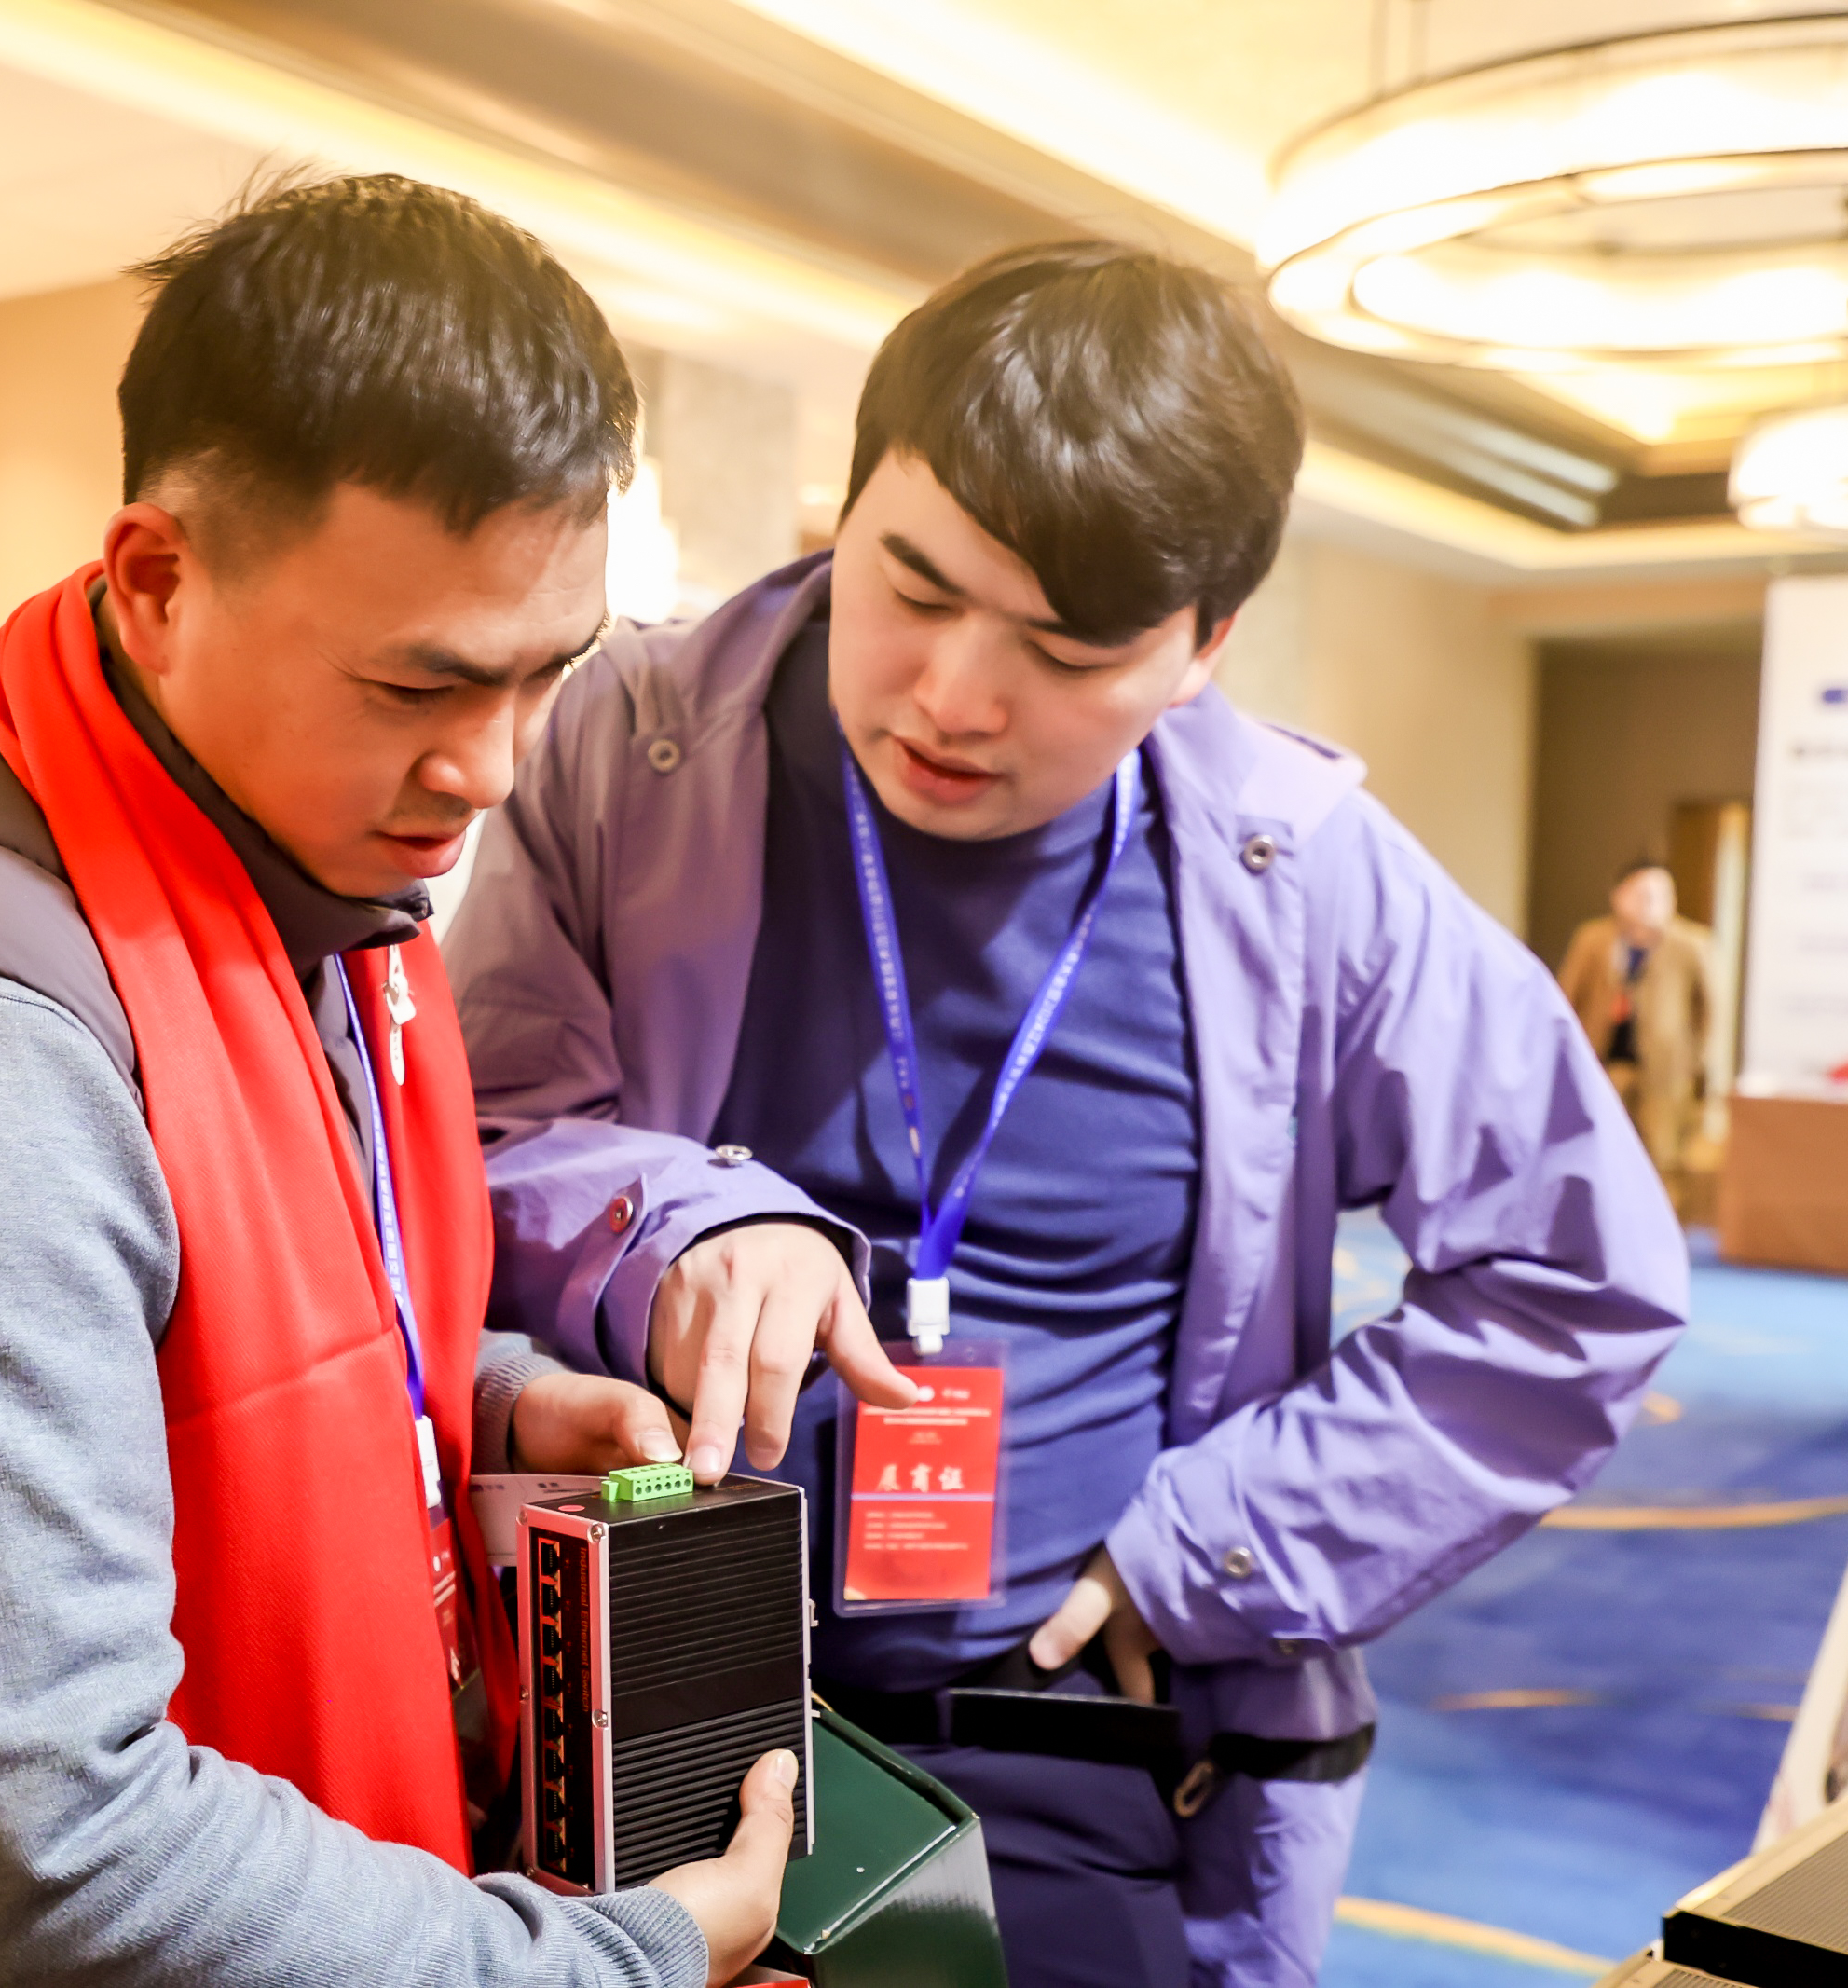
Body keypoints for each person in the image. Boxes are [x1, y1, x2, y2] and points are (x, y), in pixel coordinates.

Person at [445, 240, 1691, 1987]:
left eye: (1064, 648)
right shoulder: (626, 749)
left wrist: (1208, 1552)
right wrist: (671, 1222)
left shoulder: (1303, 880)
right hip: (652, 1685)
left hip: (1060, 1719)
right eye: (912, 587)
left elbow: (1582, 1282)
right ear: (849, 507)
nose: (956, 697)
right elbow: (475, 1145)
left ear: (1201, 646)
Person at [0, 176, 794, 1988]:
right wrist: (603, 1967)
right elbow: (44, 1865)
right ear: (158, 580)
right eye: (420, 684)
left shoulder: (310, 861)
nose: (492, 769)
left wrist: (485, 1400)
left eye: (547, 674)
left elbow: (237, 1327)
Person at [1557, 858, 1716, 1176]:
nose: (1651, 904)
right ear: (1619, 896)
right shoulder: (1593, 939)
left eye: (1661, 895)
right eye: (1642, 894)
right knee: (1599, 1150)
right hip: (1604, 1060)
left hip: (1664, 1068)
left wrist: (1698, 1062)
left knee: (1661, 1155)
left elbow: (1710, 1012)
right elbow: (1567, 997)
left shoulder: (1691, 944)